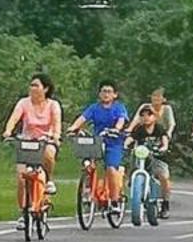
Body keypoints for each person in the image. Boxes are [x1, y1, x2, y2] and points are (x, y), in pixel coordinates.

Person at [66, 81, 129, 206]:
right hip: (97, 141)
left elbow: (121, 120)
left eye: (109, 92)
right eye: (103, 91)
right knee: (89, 164)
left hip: (113, 142)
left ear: (115, 95)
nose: (106, 94)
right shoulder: (94, 108)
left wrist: (116, 129)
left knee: (111, 169)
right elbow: (83, 118)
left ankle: (115, 200)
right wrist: (73, 128)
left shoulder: (119, 107)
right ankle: (88, 190)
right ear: (99, 94)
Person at [2, 72, 64, 196]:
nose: (32, 88)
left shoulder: (53, 105)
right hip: (27, 141)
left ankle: (49, 180)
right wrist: (8, 131)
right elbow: (13, 118)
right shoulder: (23, 103)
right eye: (31, 85)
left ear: (45, 89)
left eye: (36, 85)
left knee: (49, 154)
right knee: (21, 178)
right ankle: (23, 210)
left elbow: (57, 123)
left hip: (46, 140)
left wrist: (56, 136)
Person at [131, 87, 176, 215]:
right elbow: (135, 122)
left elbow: (171, 125)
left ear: (164, 99)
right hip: (143, 148)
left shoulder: (166, 110)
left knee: (163, 176)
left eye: (158, 97)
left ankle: (165, 203)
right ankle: (135, 187)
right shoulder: (145, 108)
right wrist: (128, 132)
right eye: (153, 96)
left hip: (159, 143)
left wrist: (166, 138)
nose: (155, 99)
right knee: (134, 158)